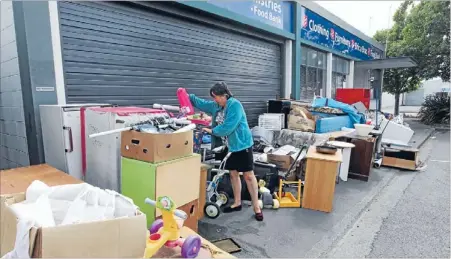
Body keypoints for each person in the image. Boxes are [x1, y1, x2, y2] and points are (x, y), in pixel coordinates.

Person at [188, 82, 263, 221]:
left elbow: (229, 126)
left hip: (242, 145)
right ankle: (237, 203)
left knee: (248, 176)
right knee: (233, 174)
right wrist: (188, 97)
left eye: (216, 97)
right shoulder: (217, 106)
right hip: (228, 146)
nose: (214, 100)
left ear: (224, 95)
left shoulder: (235, 105)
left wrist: (212, 131)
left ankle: (256, 207)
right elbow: (203, 103)